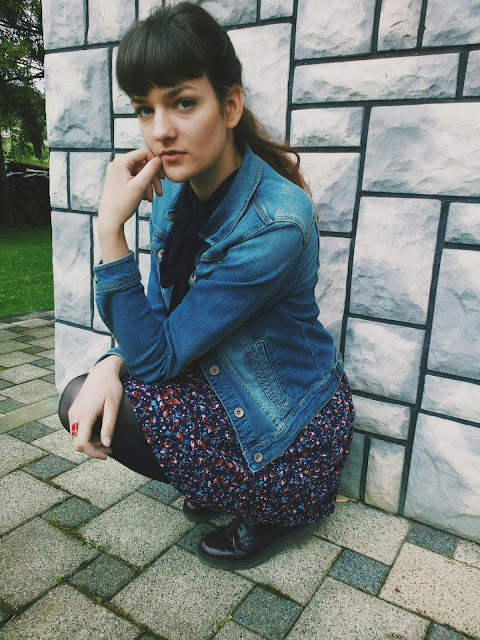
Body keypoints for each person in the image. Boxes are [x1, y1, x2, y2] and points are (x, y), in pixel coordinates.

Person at [59, 1, 355, 570]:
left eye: (183, 102)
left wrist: (109, 232)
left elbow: (158, 357)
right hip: (225, 384)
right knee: (88, 396)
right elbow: (155, 322)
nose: (160, 131)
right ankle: (217, 481)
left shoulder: (277, 223)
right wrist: (110, 363)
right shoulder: (175, 190)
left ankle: (274, 509)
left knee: (89, 404)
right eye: (144, 109)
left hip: (291, 431)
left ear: (231, 105)